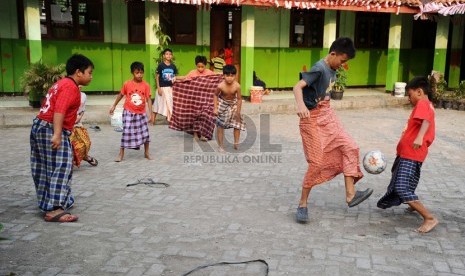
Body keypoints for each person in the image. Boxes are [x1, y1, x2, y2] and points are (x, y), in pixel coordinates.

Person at [293, 37, 372, 224]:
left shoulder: (334, 68)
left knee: (350, 146)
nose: (343, 65)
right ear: (333, 54)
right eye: (342, 61)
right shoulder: (319, 68)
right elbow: (297, 87)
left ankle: (351, 194)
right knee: (317, 162)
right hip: (310, 118)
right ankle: (302, 204)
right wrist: (300, 105)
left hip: (327, 114)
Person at [30, 54, 94, 223]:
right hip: (50, 128)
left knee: (43, 167)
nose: (91, 76)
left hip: (40, 125)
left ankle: (51, 202)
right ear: (78, 72)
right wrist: (57, 134)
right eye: (89, 72)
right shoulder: (70, 87)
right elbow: (59, 110)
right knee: (62, 166)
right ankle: (55, 209)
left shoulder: (61, 83)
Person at [377, 76, 438, 233]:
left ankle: (429, 218)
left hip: (412, 153)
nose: (409, 99)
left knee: (402, 187)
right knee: (404, 182)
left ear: (419, 91)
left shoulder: (423, 103)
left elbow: (425, 121)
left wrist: (419, 136)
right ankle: (412, 205)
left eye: (410, 95)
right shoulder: (428, 105)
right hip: (409, 153)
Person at [109, 61, 153, 162]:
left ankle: (146, 153)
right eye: (137, 73)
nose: (139, 75)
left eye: (141, 72)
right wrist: (114, 106)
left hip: (141, 113)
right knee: (126, 132)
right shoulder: (127, 84)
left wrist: (150, 113)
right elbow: (120, 95)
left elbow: (149, 99)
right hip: (128, 112)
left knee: (145, 133)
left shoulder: (146, 85)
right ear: (132, 73)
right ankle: (121, 154)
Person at [176, 55, 215, 141]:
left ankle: (203, 135)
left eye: (202, 67)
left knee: (205, 116)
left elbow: (216, 80)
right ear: (196, 65)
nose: (200, 68)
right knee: (195, 117)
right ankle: (195, 134)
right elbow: (185, 78)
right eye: (198, 67)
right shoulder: (192, 73)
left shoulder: (209, 73)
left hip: (206, 98)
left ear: (205, 65)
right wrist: (176, 78)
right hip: (194, 99)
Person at [214, 64, 245, 152]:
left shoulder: (237, 86)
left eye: (232, 76)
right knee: (220, 125)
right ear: (224, 75)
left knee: (237, 124)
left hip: (233, 104)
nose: (229, 78)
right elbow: (215, 95)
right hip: (222, 104)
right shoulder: (220, 86)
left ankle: (236, 143)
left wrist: (238, 112)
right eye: (227, 75)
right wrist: (215, 108)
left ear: (235, 76)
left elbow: (239, 99)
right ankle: (221, 146)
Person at [69, 89, 98, 167]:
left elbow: (82, 110)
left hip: (77, 123)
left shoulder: (83, 95)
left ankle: (84, 156)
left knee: (86, 142)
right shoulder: (66, 94)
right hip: (66, 124)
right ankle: (70, 162)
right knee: (70, 144)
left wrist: (79, 117)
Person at [153, 48, 178, 122]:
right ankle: (153, 120)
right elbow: (157, 77)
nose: (168, 55)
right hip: (162, 88)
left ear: (172, 56)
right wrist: (158, 88)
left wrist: (175, 88)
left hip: (170, 88)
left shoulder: (173, 66)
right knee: (158, 103)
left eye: (170, 54)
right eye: (167, 54)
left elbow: (174, 77)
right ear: (164, 56)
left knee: (170, 104)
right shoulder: (161, 65)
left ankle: (170, 120)